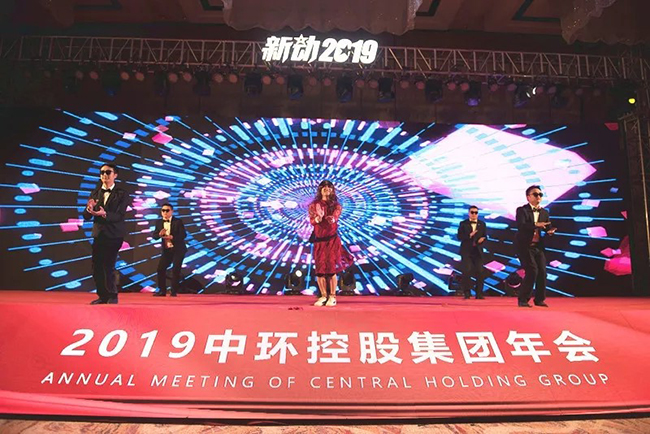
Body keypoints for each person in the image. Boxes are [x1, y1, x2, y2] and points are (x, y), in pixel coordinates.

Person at [83, 163, 130, 305]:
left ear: (115, 175)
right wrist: (89, 209)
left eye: (108, 172)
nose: (104, 175)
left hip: (114, 234)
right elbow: (86, 216)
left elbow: (120, 215)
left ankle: (112, 295)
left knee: (108, 265)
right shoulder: (95, 193)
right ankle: (102, 295)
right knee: (96, 266)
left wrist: (104, 214)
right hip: (99, 234)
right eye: (102, 172)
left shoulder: (122, 193)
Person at [308, 180, 352, 307]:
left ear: (332, 190)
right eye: (324, 187)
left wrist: (332, 218)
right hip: (319, 241)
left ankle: (332, 296)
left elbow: (335, 216)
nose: (327, 189)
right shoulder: (314, 205)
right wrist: (317, 219)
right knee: (320, 270)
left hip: (332, 240)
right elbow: (312, 220)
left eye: (329, 187)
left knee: (331, 268)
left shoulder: (336, 205)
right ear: (320, 189)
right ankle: (323, 296)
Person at [515, 185, 556, 308]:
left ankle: (539, 299)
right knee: (532, 270)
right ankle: (523, 299)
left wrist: (550, 231)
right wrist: (536, 225)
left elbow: (547, 226)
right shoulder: (522, 210)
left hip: (538, 246)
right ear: (528, 197)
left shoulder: (544, 212)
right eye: (535, 194)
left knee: (542, 272)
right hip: (525, 245)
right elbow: (521, 226)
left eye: (540, 195)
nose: (538, 197)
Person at [153, 203, 187, 297]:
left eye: (167, 210)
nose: (165, 212)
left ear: (172, 211)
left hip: (178, 249)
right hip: (167, 249)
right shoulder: (159, 222)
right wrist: (159, 235)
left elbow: (183, 235)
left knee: (175, 269)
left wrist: (172, 237)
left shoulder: (178, 221)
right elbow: (155, 236)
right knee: (160, 269)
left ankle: (174, 291)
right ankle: (162, 291)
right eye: (163, 210)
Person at [457, 205, 487, 299]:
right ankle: (467, 292)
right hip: (467, 251)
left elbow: (485, 235)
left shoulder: (482, 224)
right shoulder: (463, 224)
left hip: (478, 251)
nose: (474, 214)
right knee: (466, 271)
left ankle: (479, 293)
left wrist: (482, 239)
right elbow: (459, 237)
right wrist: (469, 235)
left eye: (476, 212)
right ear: (469, 213)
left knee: (480, 271)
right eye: (472, 212)